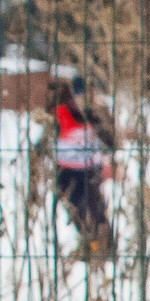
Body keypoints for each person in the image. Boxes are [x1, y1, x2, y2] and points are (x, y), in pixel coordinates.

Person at [48, 76, 115, 260]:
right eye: (79, 95)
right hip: (67, 173)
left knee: (97, 213)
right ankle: (91, 248)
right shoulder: (61, 115)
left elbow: (111, 141)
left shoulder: (97, 114)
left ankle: (105, 249)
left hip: (89, 172)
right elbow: (46, 142)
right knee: (78, 212)